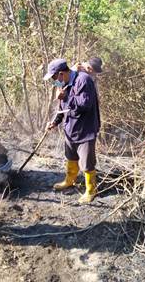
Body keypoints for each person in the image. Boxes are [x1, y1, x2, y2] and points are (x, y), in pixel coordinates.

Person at [44, 58, 101, 204]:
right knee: (71, 157)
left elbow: (85, 104)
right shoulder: (63, 82)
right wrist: (55, 122)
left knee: (87, 163)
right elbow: (63, 107)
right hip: (70, 128)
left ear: (62, 73)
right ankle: (69, 180)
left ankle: (91, 190)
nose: (54, 81)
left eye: (54, 77)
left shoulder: (84, 80)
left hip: (85, 130)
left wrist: (66, 96)